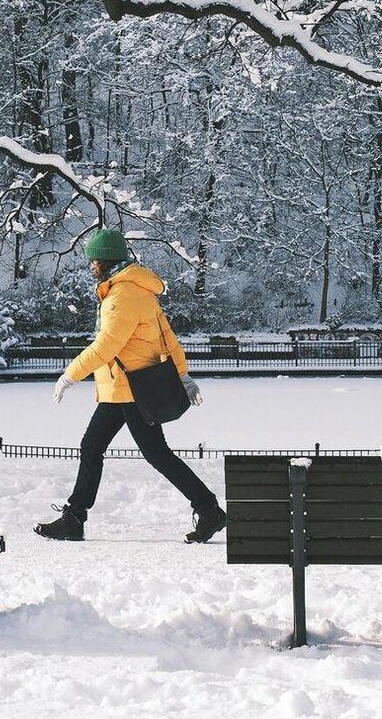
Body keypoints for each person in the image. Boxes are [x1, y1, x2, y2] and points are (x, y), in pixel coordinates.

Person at [36, 227, 227, 544]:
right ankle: (74, 517)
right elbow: (169, 337)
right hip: (121, 390)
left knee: (157, 455)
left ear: (105, 261)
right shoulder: (139, 291)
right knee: (93, 447)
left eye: (93, 261)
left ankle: (209, 510)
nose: (90, 267)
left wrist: (70, 375)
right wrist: (183, 374)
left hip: (131, 391)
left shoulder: (121, 296)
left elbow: (106, 345)